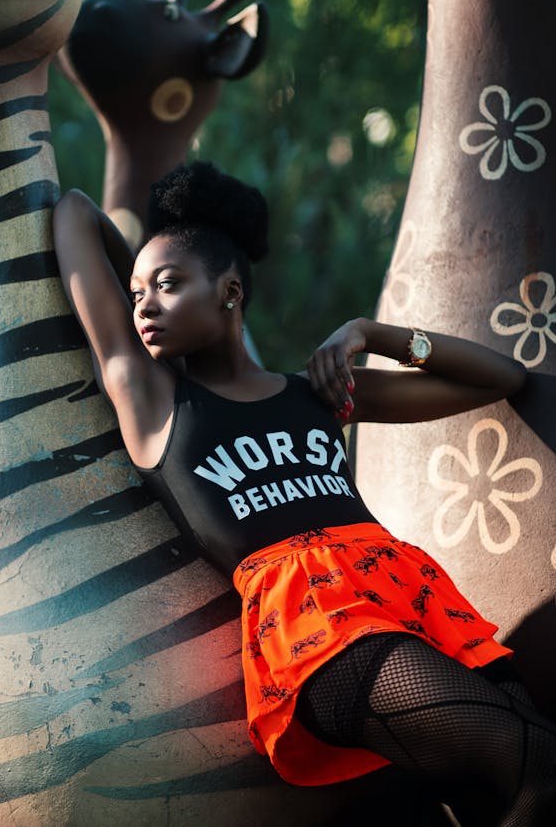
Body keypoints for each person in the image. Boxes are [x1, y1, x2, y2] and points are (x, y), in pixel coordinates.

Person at [53, 160, 556, 826]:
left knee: (497, 790)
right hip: (322, 635)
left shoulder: (315, 396)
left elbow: (501, 375)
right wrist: (150, 260)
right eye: (138, 292)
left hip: (412, 604)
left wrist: (370, 334)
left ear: (231, 290)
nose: (144, 304)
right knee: (543, 766)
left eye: (169, 285)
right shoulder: (156, 401)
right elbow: (75, 212)